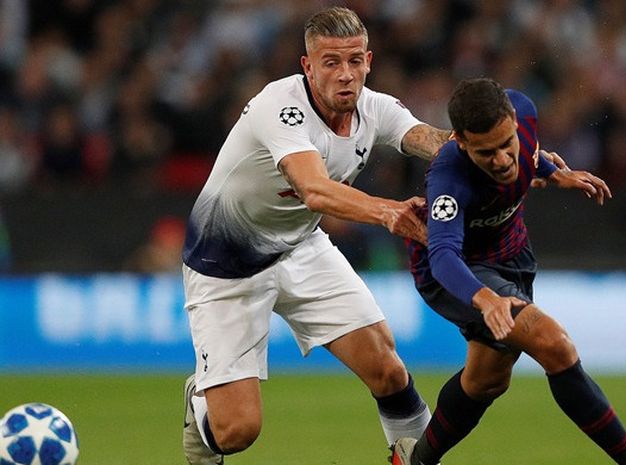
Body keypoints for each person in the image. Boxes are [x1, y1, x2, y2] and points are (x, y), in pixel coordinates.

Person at [180, 6, 453, 465]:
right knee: (237, 432)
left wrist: (523, 156)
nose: (345, 75)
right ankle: (200, 401)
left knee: (388, 369)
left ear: (369, 60)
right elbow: (314, 189)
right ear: (308, 66)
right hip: (225, 265)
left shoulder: (376, 108)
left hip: (300, 247)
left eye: (353, 62)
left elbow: (436, 142)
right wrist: (390, 213)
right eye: (330, 62)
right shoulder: (279, 107)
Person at [391, 78, 626, 465]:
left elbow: (532, 152)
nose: (502, 159)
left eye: (507, 144)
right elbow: (443, 257)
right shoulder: (448, 179)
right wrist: (487, 301)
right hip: (461, 272)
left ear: (513, 121)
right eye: (486, 153)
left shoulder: (523, 110)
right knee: (554, 343)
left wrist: (555, 172)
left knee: (487, 380)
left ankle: (414, 460)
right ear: (460, 142)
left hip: (512, 255)